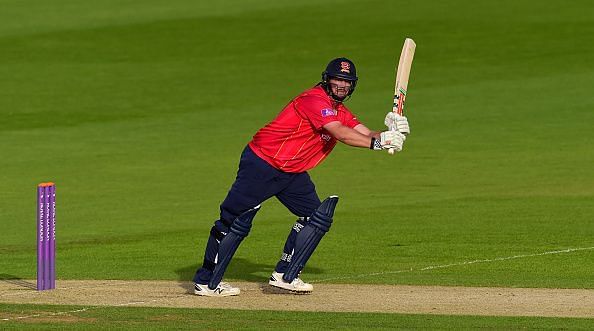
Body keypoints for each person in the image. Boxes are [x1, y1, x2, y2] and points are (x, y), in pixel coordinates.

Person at [192, 57, 410, 297]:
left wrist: (391, 132)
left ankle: (285, 276)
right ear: (327, 80)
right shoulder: (313, 100)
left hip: (292, 172)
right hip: (263, 163)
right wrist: (378, 143)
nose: (342, 86)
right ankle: (206, 281)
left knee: (316, 217)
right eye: (338, 80)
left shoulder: (340, 111)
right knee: (232, 222)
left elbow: (364, 133)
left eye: (347, 82)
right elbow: (342, 133)